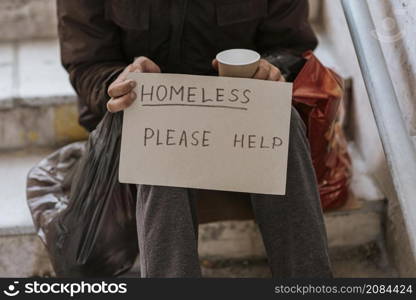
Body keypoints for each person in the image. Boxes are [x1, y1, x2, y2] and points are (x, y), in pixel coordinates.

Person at [57, 0, 333, 278]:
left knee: (283, 120)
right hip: (136, 127)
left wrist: (271, 69)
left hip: (236, 125)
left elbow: (291, 47)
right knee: (161, 134)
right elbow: (85, 63)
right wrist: (119, 81)